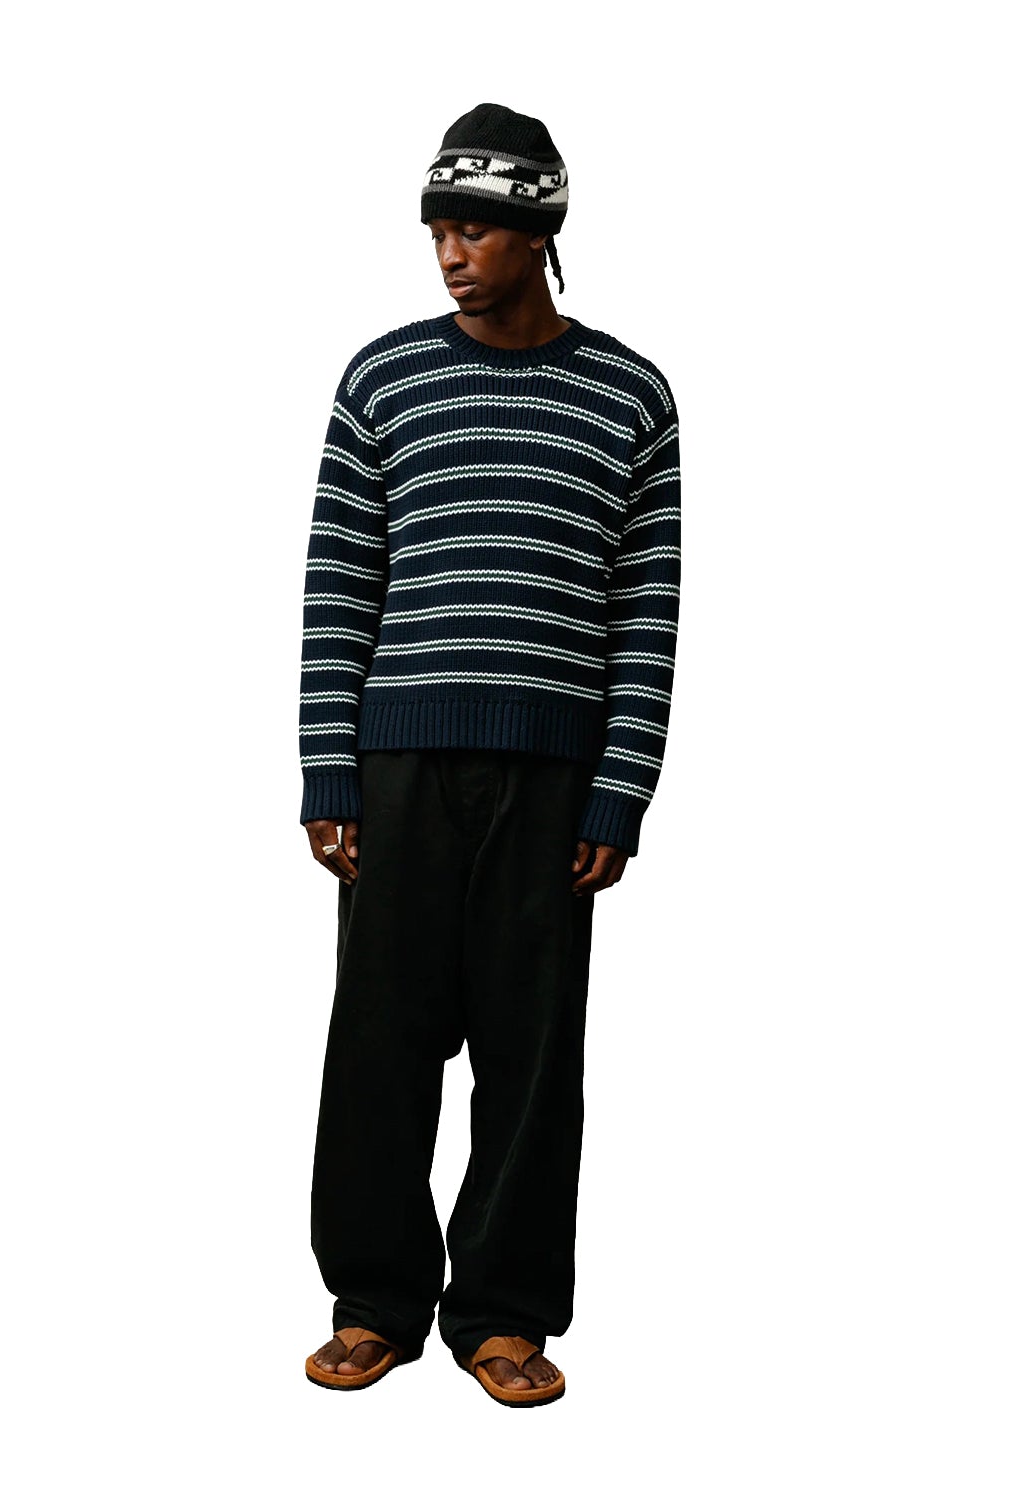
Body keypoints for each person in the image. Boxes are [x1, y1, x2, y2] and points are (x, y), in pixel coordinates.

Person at [298, 101, 681, 1408]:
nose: (452, 253)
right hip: (399, 770)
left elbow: (647, 612)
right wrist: (329, 776)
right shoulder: (383, 379)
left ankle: (505, 1315)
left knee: (532, 1058)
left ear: (540, 232)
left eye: (475, 228)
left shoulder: (631, 395)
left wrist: (620, 794)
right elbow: (338, 589)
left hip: (555, 781)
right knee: (381, 1048)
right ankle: (374, 1302)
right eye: (438, 231)